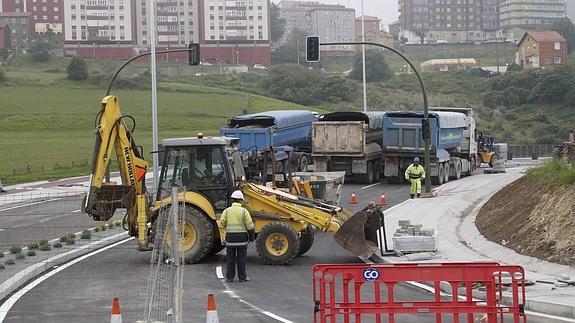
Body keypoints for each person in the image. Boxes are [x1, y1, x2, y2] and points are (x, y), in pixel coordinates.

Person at [219, 190, 255, 282]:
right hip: (242, 239)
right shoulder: (244, 211)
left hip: (230, 239)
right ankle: (242, 278)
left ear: (233, 200)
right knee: (241, 259)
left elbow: (222, 224)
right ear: (240, 200)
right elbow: (250, 226)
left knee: (230, 260)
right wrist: (251, 238)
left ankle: (230, 278)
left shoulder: (226, 211)